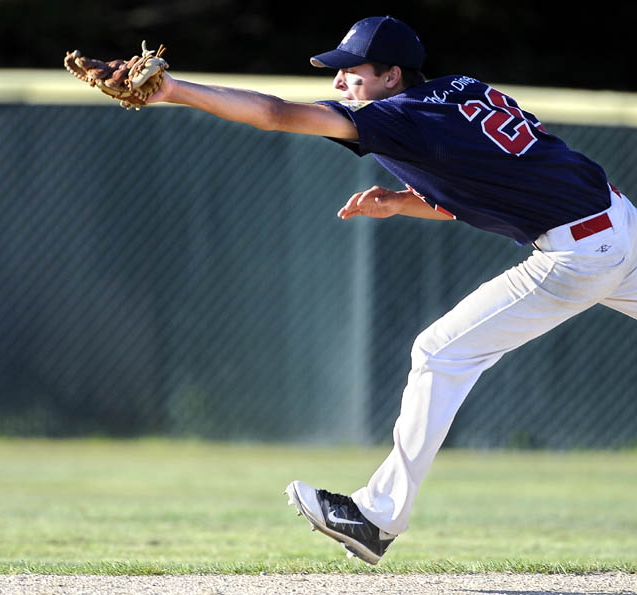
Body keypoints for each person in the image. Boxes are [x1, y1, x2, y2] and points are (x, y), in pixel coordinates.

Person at [148, 16, 637, 564]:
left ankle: (375, 519)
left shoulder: (398, 116)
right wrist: (405, 200)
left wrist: (171, 89)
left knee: (439, 352)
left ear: (390, 76)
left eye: (350, 72)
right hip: (619, 221)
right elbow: (501, 179)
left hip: (581, 252)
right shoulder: (462, 91)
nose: (339, 84)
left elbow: (274, 113)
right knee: (443, 352)